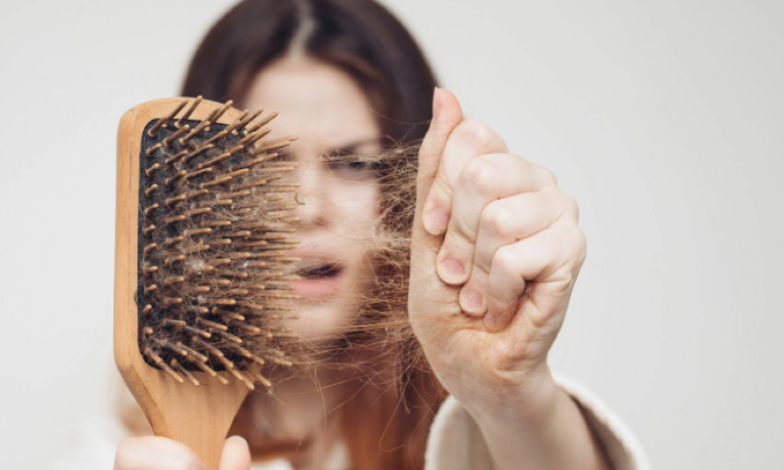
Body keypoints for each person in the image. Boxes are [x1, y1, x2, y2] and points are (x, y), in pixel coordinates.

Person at [110, 1, 648, 469]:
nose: (307, 209)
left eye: (354, 164)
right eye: (265, 166)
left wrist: (512, 394)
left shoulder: (482, 443)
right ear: (192, 196)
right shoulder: (107, 453)